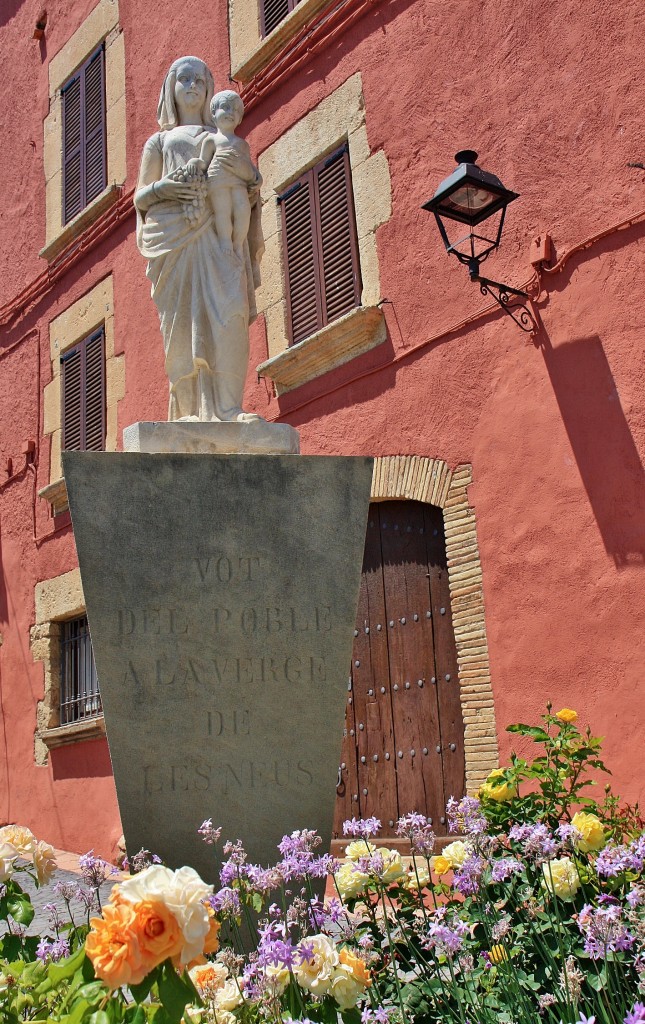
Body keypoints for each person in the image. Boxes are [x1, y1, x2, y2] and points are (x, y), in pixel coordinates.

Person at [134, 57, 264, 422]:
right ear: (171, 90)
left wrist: (250, 185)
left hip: (220, 235)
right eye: (183, 79)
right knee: (182, 325)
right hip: (175, 240)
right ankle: (189, 410)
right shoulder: (159, 142)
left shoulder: (223, 137)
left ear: (209, 90)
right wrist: (166, 187)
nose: (191, 85)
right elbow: (140, 198)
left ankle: (229, 407)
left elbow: (248, 182)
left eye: (199, 80)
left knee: (230, 313)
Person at [185, 90, 261, 261]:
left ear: (240, 118)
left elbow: (249, 169)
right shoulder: (211, 140)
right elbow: (204, 161)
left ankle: (238, 243)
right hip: (217, 179)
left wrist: (255, 178)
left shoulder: (242, 144)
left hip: (238, 182)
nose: (230, 113)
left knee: (243, 211)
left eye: (235, 110)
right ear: (213, 114)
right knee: (223, 211)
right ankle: (225, 242)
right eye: (225, 108)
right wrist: (194, 164)